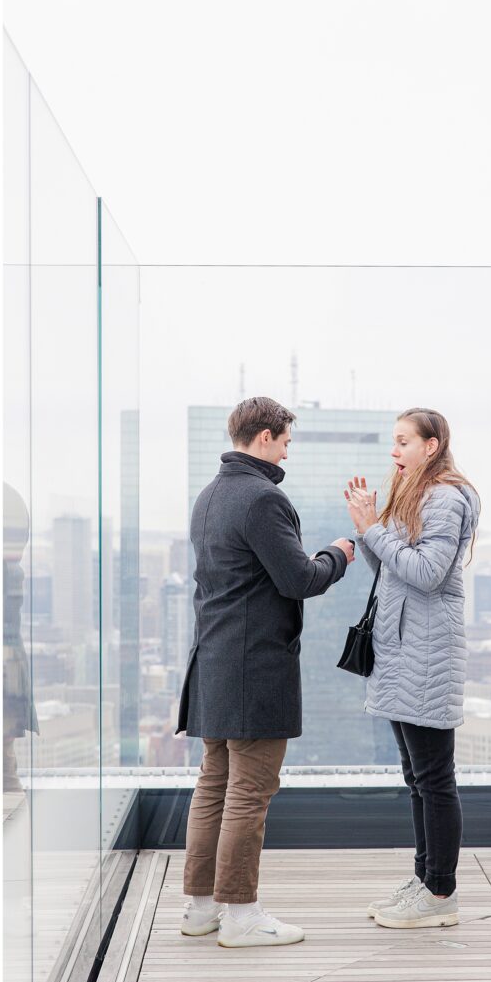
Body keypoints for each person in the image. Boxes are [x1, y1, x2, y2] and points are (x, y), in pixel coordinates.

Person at [175, 396, 354, 948]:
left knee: (214, 785)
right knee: (249, 789)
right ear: (264, 438)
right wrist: (339, 553)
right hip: (254, 665)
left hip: (214, 660)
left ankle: (201, 909)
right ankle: (241, 914)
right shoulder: (261, 498)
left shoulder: (209, 496)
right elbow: (298, 578)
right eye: (285, 442)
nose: (287, 453)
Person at [344, 407, 480, 929]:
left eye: (403, 442)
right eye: (393, 443)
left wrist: (374, 530)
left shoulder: (445, 497)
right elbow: (389, 571)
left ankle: (441, 893)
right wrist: (371, 525)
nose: (394, 451)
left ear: (432, 444)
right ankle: (425, 879)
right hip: (402, 650)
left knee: (433, 777)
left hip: (426, 654)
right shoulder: (417, 494)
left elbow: (426, 573)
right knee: (417, 777)